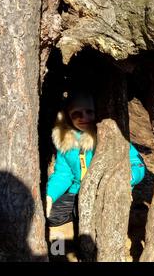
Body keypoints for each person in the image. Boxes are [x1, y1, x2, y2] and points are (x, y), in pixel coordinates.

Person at [46, 90, 145, 227]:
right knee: (51, 215)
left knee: (102, 217)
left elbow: (136, 163)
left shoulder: (111, 136)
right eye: (77, 114)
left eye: (89, 112)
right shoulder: (66, 141)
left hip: (107, 193)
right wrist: (50, 194)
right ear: (69, 116)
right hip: (78, 192)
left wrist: (129, 176)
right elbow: (63, 174)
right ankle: (80, 214)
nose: (84, 117)